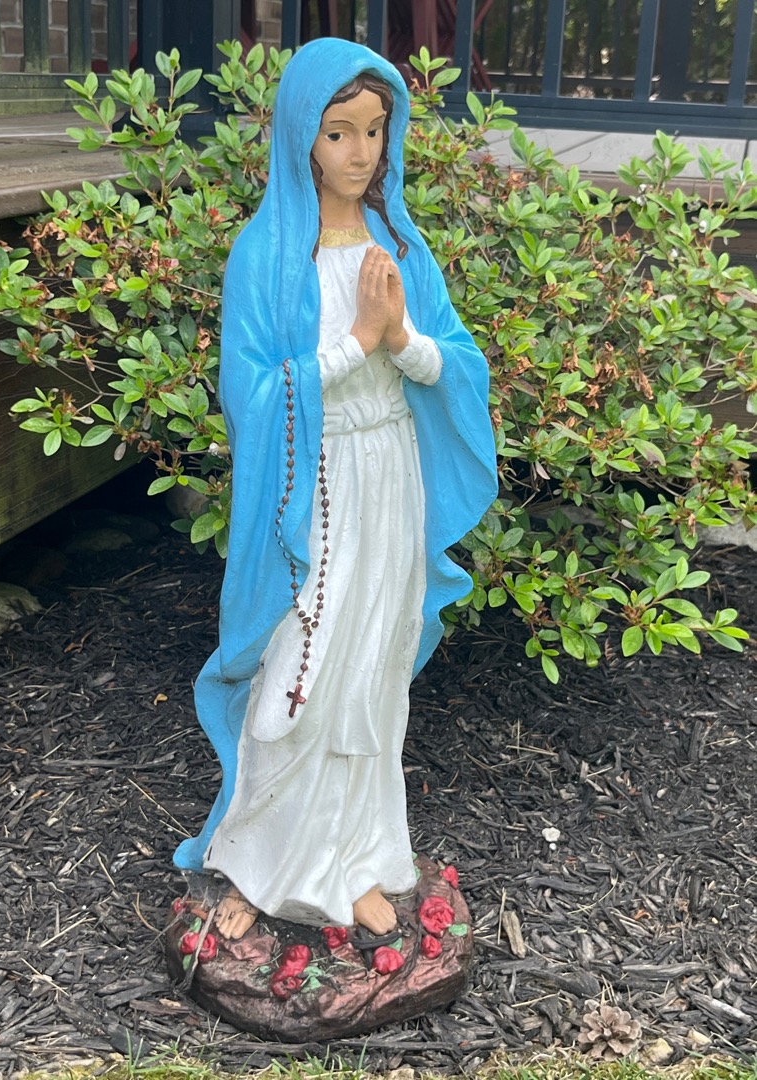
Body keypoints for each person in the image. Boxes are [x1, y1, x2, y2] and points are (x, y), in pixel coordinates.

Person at [173, 38, 497, 941]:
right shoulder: (265, 256)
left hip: (390, 473)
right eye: (339, 132)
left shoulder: (404, 248)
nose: (361, 153)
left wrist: (401, 341)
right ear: (300, 138)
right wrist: (356, 341)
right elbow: (251, 393)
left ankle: (355, 856)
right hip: (313, 483)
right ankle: (259, 861)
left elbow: (456, 365)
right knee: (299, 669)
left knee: (372, 666)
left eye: (375, 130)